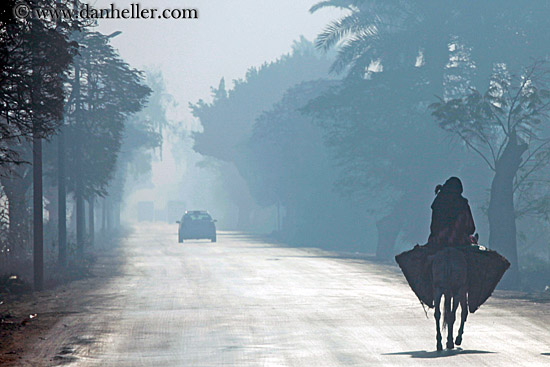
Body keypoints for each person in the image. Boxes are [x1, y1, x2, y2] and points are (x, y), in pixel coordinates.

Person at [426, 177, 476, 251]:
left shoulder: (438, 202)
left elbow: (433, 228)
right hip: (460, 240)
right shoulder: (462, 203)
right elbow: (471, 228)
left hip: (438, 240)